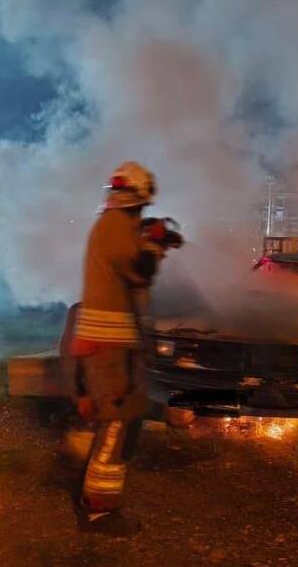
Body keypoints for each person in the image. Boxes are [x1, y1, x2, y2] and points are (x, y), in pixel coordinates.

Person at [68, 161, 176, 534]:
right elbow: (139, 271)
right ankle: (99, 509)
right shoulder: (114, 228)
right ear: (139, 197)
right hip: (106, 344)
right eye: (143, 209)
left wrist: (150, 238)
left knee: (117, 419)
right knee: (117, 423)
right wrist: (154, 244)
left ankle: (84, 450)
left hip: (112, 342)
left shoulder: (117, 225)